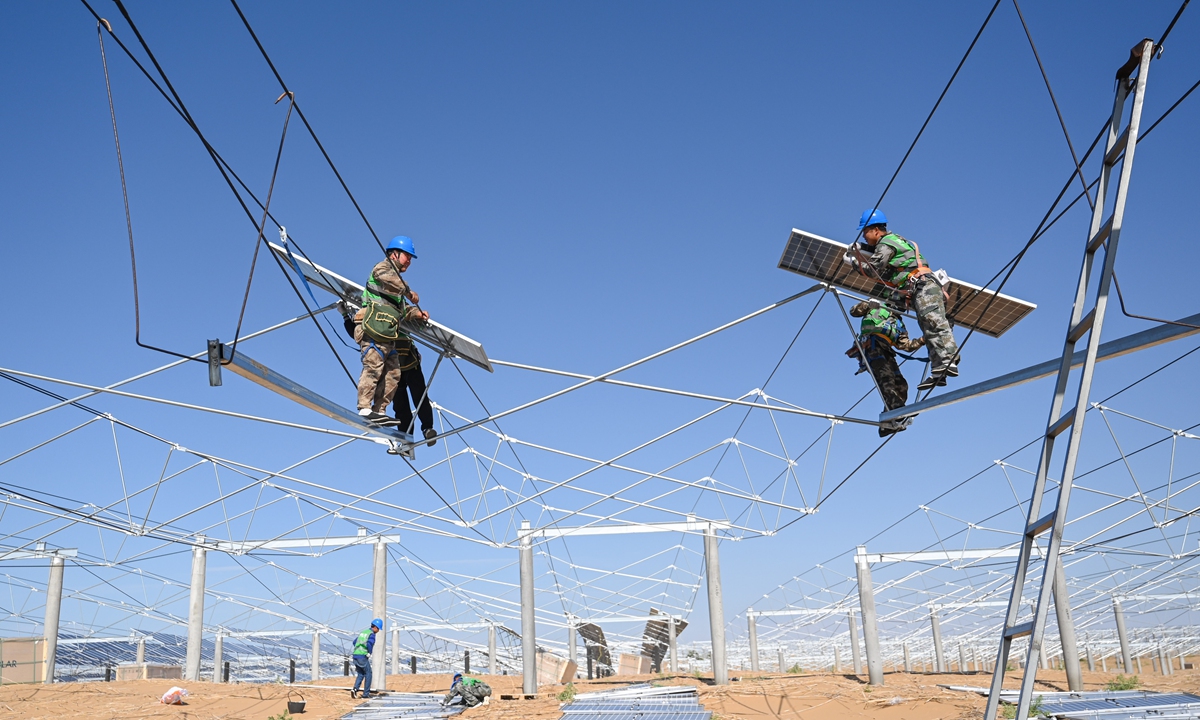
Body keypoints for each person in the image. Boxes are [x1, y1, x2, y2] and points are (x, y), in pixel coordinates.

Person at [852, 209, 960, 391]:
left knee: (933, 321)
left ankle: (949, 359)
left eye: (865, 231)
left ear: (876, 230)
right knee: (927, 325)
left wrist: (854, 262)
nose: (863, 235)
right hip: (919, 288)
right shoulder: (893, 241)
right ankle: (939, 371)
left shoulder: (886, 243)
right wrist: (862, 248)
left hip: (924, 285)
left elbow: (874, 268)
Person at [354, 236, 430, 426]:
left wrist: (417, 314)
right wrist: (409, 292)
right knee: (373, 366)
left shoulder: (397, 289)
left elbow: (401, 310)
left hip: (387, 334)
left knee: (394, 373)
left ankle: (379, 410)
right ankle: (364, 406)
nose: (409, 261)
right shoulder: (382, 268)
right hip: (372, 329)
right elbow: (388, 279)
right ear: (394, 254)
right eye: (407, 256)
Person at [845, 300, 925, 437]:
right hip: (872, 346)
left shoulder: (898, 323)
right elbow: (854, 311)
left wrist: (923, 340)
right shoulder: (877, 307)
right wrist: (868, 305)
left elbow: (905, 345)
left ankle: (887, 422)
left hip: (887, 350)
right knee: (886, 379)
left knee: (901, 385)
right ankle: (897, 408)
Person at [351, 618, 383, 699]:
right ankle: (365, 694)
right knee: (368, 673)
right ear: (375, 627)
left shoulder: (363, 632)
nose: (378, 631)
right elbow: (369, 643)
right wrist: (369, 652)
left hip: (355, 655)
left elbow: (354, 642)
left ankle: (355, 689)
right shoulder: (371, 634)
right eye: (378, 629)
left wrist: (359, 649)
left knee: (361, 674)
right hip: (362, 656)